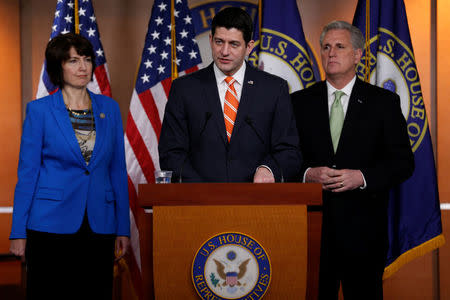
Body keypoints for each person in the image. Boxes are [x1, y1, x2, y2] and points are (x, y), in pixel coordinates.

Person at [291, 21, 414, 299]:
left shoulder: (384, 102)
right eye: (325, 47)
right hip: (312, 234)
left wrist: (363, 177)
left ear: (358, 55)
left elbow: (403, 162)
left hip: (364, 234)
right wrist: (308, 174)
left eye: (339, 46)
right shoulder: (298, 102)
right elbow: (285, 157)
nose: (331, 53)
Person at [9, 33, 130, 299]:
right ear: (58, 67)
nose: (83, 67)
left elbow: (117, 171)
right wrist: (18, 230)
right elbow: (28, 174)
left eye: (86, 60)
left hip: (99, 224)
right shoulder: (39, 111)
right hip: (49, 224)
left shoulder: (109, 108)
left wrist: (122, 227)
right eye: (73, 61)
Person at [158, 7, 301, 183]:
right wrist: (201, 190)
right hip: (199, 203)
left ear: (249, 47)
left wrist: (268, 169)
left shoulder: (274, 89)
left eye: (234, 44)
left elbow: (289, 150)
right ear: (210, 40)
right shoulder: (184, 88)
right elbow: (170, 152)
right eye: (219, 42)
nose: (224, 52)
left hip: (257, 203)